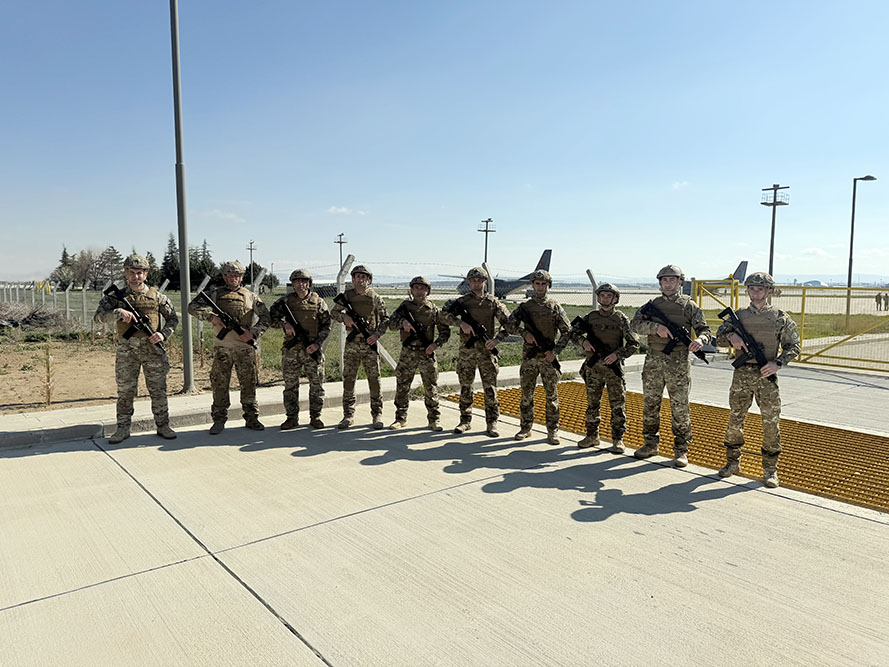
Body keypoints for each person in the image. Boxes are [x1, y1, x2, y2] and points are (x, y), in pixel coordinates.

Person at [716, 272, 800, 488]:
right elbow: (719, 338)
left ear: (769, 291)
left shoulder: (780, 318)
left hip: (766, 374)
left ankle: (770, 469)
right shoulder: (738, 316)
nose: (755, 292)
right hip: (742, 374)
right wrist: (731, 337)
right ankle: (732, 463)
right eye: (751, 288)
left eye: (760, 289)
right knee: (736, 418)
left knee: (771, 422)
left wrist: (778, 363)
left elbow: (794, 346)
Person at [630, 264, 711, 467]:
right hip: (654, 360)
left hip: (679, 362)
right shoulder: (651, 305)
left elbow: (705, 330)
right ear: (660, 283)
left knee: (680, 407)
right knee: (650, 404)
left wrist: (700, 340)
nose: (668, 284)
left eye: (672, 280)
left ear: (680, 282)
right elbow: (634, 324)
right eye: (664, 280)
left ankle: (681, 450)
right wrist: (655, 327)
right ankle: (650, 444)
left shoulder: (689, 306)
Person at [93, 253, 179, 444]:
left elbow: (173, 318)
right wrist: (117, 312)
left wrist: (163, 334)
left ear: (146, 274)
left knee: (158, 390)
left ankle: (163, 426)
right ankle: (122, 429)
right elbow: (98, 317)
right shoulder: (116, 297)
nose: (135, 276)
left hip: (153, 351)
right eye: (131, 272)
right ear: (126, 273)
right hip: (127, 352)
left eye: (139, 273)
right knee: (125, 392)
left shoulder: (157, 297)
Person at [187, 260, 270, 435]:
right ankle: (219, 420)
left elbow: (266, 318)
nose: (233, 278)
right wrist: (211, 317)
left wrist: (253, 333)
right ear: (224, 276)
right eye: (230, 275)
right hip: (222, 349)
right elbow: (192, 307)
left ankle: (252, 418)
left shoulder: (250, 296)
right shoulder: (214, 294)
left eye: (237, 275)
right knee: (219, 385)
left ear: (242, 277)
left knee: (248, 385)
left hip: (244, 349)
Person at [440, 266, 511, 437]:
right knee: (466, 387)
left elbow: (510, 323)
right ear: (469, 282)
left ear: (485, 282)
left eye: (479, 280)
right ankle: (465, 420)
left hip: (487, 353)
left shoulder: (493, 303)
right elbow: (442, 316)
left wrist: (497, 340)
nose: (476, 283)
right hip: (467, 352)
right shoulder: (462, 302)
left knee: (490, 389)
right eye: (473, 280)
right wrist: (461, 324)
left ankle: (492, 423)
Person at [569, 283, 639, 452]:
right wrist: (583, 342)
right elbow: (572, 333)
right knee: (592, 404)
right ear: (598, 298)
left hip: (613, 369)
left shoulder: (621, 319)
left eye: (609, 296)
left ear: (615, 299)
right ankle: (592, 436)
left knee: (618, 405)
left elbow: (634, 343)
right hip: (593, 368)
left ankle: (618, 440)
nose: (605, 299)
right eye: (602, 295)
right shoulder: (590, 317)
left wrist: (617, 355)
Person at [506, 269, 571, 444]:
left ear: (548, 286)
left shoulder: (555, 307)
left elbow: (567, 332)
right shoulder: (525, 307)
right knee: (526, 394)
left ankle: (553, 430)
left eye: (544, 284)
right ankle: (525, 428)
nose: (540, 287)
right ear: (533, 285)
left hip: (548, 357)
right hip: (530, 357)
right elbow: (509, 325)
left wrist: (555, 352)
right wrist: (524, 333)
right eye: (537, 284)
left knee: (552, 396)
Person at [268, 269, 331, 430]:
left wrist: (317, 344)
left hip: (312, 349)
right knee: (290, 385)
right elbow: (270, 318)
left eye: (304, 281)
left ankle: (315, 416)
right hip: (291, 351)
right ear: (293, 284)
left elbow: (326, 326)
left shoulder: (319, 302)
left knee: (316, 385)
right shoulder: (285, 302)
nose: (300, 284)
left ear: (309, 283)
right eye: (297, 281)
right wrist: (284, 325)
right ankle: (291, 418)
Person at [388, 276, 451, 431]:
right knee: (402, 386)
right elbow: (391, 324)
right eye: (416, 287)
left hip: (426, 353)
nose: (419, 291)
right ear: (411, 290)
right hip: (408, 352)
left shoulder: (434, 310)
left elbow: (445, 332)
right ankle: (400, 418)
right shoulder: (404, 307)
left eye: (422, 288)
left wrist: (435, 345)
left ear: (428, 291)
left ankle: (434, 419)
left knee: (431, 387)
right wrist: (402, 323)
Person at [330, 264, 389, 429]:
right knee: (349, 380)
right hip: (352, 344)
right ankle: (348, 415)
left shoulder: (375, 297)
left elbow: (385, 319)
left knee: (374, 381)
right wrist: (345, 318)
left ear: (369, 280)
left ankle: (377, 415)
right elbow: (333, 313)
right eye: (357, 276)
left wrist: (376, 335)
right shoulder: (347, 296)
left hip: (369, 344)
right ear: (353, 279)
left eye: (364, 277)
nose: (360, 280)